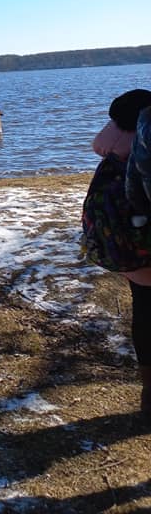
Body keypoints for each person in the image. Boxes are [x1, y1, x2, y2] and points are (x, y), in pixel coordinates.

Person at [90, 88, 151, 417]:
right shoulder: (145, 142)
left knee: (144, 313)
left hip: (127, 248)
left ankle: (149, 393)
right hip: (145, 240)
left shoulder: (111, 144)